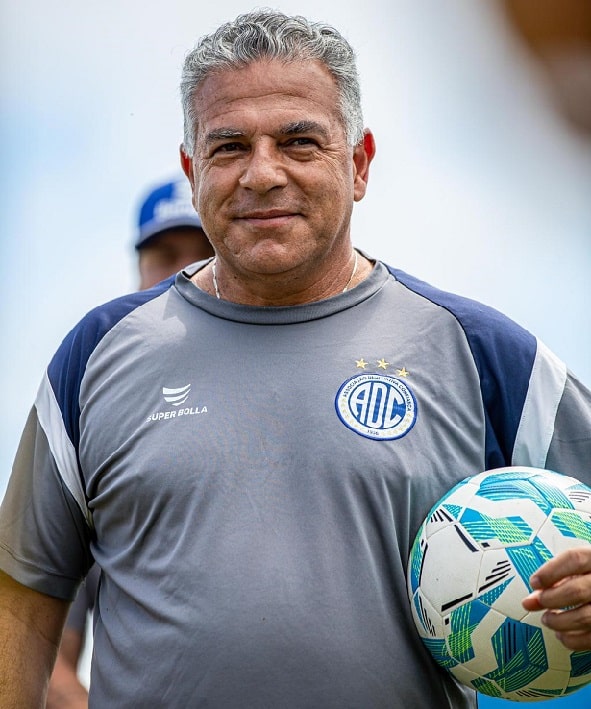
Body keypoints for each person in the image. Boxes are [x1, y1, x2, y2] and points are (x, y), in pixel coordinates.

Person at [1, 9, 590, 707]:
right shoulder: (96, 353)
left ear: (359, 164)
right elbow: (22, 596)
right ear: (192, 170)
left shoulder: (480, 350)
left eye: (298, 142)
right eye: (228, 147)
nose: (261, 173)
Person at [45, 178, 213, 708]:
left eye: (202, 253)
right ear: (138, 267)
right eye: (165, 255)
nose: (183, 270)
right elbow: (44, 659)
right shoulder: (94, 423)